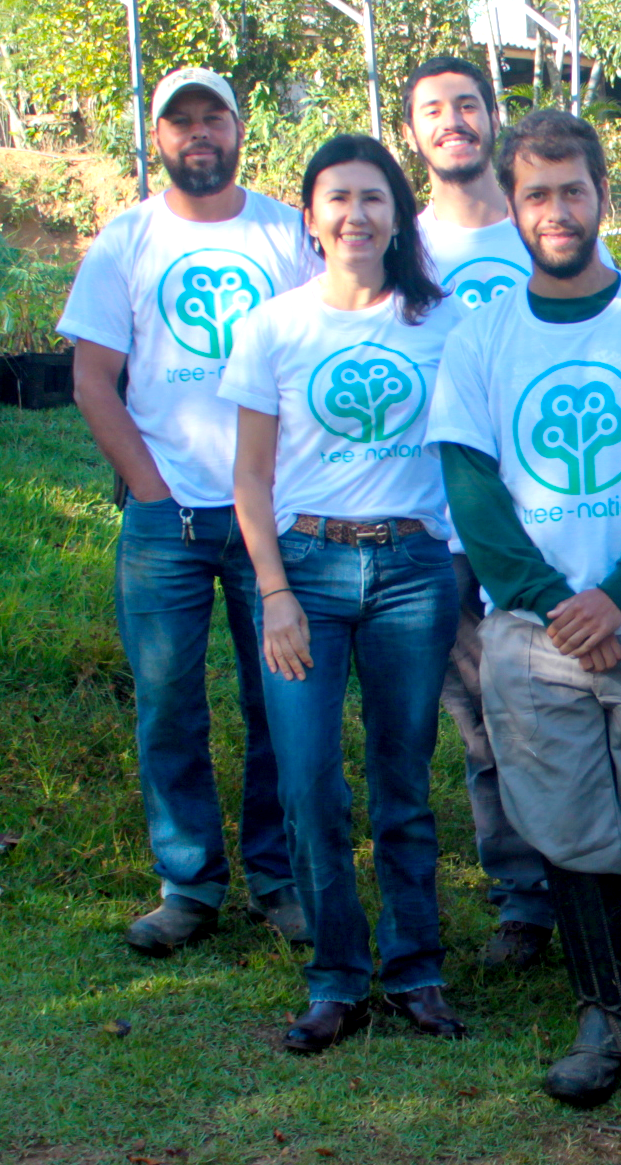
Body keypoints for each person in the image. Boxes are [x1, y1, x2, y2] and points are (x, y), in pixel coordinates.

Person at [427, 110, 621, 1109]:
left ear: (603, 195)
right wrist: (558, 602)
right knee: (564, 813)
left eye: (572, 190)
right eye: (536, 194)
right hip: (534, 634)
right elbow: (471, 489)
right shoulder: (482, 339)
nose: (555, 210)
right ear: (511, 207)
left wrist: (620, 593)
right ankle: (605, 1014)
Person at [58, 67, 314, 958]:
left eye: (214, 117)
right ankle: (189, 883)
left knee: (279, 701)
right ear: (158, 136)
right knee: (168, 705)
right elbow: (92, 381)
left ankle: (279, 879)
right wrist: (152, 490)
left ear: (239, 130)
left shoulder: (287, 232)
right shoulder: (126, 239)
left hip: (271, 516)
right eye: (181, 121)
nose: (198, 132)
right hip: (166, 521)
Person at [222, 134, 465, 1053]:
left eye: (373, 197)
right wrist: (274, 592)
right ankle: (335, 976)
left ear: (398, 215)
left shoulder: (442, 323)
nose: (355, 214)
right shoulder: (275, 327)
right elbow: (250, 479)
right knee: (308, 780)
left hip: (412, 571)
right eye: (337, 198)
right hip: (305, 573)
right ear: (311, 218)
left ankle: (416, 970)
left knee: (404, 779)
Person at [400, 54, 556, 968]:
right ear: (412, 133)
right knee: (485, 722)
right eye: (433, 109)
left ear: (493, 117)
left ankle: (593, 877)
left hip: (549, 511)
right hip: (441, 523)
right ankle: (523, 898)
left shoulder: (543, 225)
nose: (452, 120)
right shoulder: (401, 245)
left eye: (467, 104)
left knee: (566, 705)